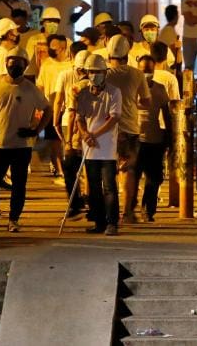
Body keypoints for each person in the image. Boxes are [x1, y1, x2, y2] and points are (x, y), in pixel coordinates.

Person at [0, 49, 52, 233]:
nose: (14, 67)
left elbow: (47, 109)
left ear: (25, 66)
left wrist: (35, 130)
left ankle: (13, 219)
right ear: (6, 64)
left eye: (18, 64)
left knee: (19, 184)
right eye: (11, 63)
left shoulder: (31, 89)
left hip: (22, 145)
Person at [104, 34, 151, 224]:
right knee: (129, 171)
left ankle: (109, 213)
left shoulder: (104, 75)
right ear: (128, 52)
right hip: (130, 128)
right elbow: (146, 101)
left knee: (108, 171)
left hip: (107, 129)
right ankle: (127, 213)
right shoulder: (136, 74)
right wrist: (132, 104)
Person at [75, 54, 123, 235]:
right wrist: (84, 134)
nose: (95, 75)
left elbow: (114, 118)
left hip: (107, 148)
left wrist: (94, 134)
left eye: (98, 71)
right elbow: (79, 118)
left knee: (109, 187)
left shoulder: (114, 92)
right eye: (91, 71)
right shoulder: (83, 94)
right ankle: (99, 222)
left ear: (105, 72)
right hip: (90, 148)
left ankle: (112, 223)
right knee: (94, 188)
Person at [129, 55, 173, 222]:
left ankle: (148, 210)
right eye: (143, 70)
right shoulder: (131, 88)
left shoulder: (160, 89)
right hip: (135, 139)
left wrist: (169, 135)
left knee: (154, 178)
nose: (146, 73)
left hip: (155, 139)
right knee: (133, 176)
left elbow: (166, 114)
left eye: (149, 69)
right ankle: (129, 209)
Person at [55, 45, 90, 220]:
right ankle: (94, 206)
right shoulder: (107, 86)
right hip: (98, 133)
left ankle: (76, 205)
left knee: (70, 167)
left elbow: (71, 114)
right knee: (94, 170)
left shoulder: (76, 88)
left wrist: (68, 141)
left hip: (77, 132)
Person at [37, 34, 73, 182]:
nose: (50, 49)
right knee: (54, 141)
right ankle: (59, 170)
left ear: (62, 48)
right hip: (51, 108)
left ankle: (69, 168)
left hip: (69, 108)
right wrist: (39, 107)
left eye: (53, 46)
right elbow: (40, 86)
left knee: (69, 140)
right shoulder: (46, 64)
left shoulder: (71, 65)